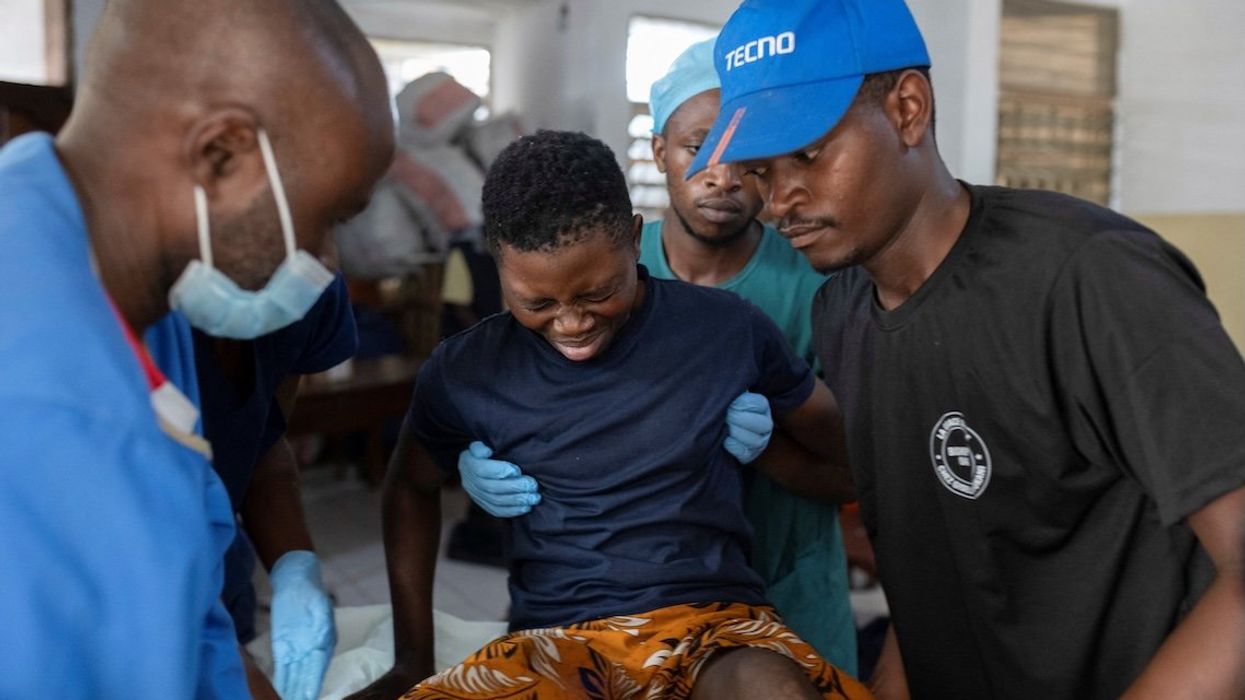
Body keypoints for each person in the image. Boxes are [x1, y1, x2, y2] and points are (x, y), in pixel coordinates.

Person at [687, 0, 1245, 698]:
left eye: (807, 154)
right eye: (762, 173)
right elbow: (931, 580)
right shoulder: (844, 313)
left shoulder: (1087, 277)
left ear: (907, 109)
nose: (781, 200)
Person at [350, 130, 868, 700]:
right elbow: (408, 490)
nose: (572, 323)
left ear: (634, 240)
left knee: (774, 688)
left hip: (714, 624)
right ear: (498, 267)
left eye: (598, 293)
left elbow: (847, 459)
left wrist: (771, 444)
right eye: (537, 303)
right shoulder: (468, 369)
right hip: (555, 641)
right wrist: (411, 658)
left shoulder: (725, 330)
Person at [0, 0, 395, 695]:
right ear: (222, 155)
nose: (328, 258)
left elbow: (189, 599)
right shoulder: (60, 423)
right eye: (326, 216)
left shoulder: (107, 267)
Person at [457, 38, 859, 673]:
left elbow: (859, 468)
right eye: (699, 146)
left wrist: (772, 447)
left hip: (783, 579)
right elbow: (516, 384)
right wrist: (482, 455)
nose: (722, 174)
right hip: (618, 609)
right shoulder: (587, 269)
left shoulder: (817, 285)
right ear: (659, 153)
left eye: (745, 152)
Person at [192, 272, 358, 700]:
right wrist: (212, 649)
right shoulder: (122, 317)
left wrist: (295, 569)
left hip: (222, 577)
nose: (327, 257)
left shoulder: (311, 291)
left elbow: (260, 438)